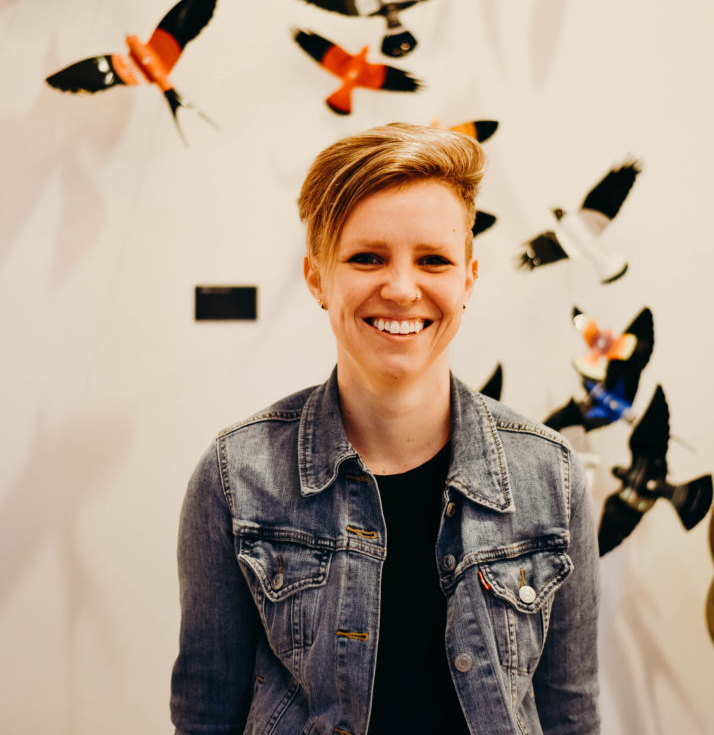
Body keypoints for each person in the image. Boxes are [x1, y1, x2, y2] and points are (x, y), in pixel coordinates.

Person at [171, 123, 601, 735]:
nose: (402, 289)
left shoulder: (549, 474)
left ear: (468, 280)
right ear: (318, 276)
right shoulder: (236, 475)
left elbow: (571, 712)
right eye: (368, 257)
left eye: (433, 260)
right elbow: (205, 712)